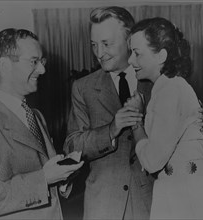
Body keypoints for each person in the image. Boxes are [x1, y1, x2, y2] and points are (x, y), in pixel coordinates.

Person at [0, 28, 84, 219]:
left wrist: (62, 178)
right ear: (5, 65)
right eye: (33, 61)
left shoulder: (35, 115)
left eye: (42, 61)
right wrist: (44, 178)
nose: (42, 69)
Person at [64, 6, 154, 220]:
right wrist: (111, 130)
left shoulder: (155, 80)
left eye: (106, 44)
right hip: (103, 206)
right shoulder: (82, 87)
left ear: (130, 40)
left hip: (151, 201)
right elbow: (72, 145)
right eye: (94, 45)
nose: (99, 53)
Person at [127, 17, 203, 219]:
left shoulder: (170, 90)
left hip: (181, 194)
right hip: (180, 189)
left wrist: (136, 120)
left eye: (137, 54)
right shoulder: (169, 86)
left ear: (161, 56)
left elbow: (152, 160)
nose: (130, 60)